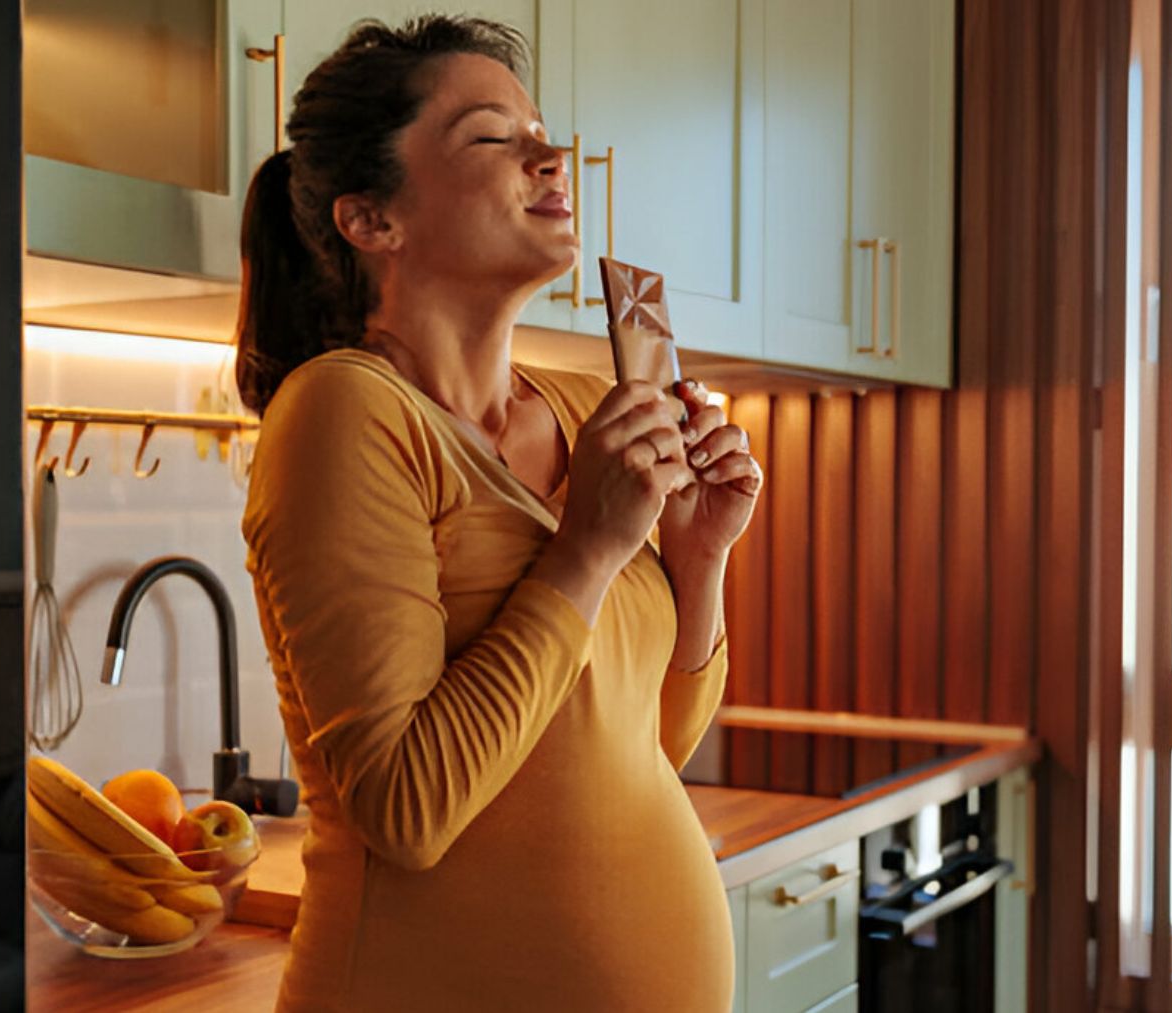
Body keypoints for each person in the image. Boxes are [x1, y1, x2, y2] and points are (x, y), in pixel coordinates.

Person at [237, 15, 762, 1012]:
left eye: (541, 130)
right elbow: (406, 806)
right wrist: (589, 549)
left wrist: (698, 561)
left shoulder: (581, 407)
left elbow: (647, 744)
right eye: (492, 136)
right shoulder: (345, 410)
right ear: (371, 220)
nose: (550, 155)